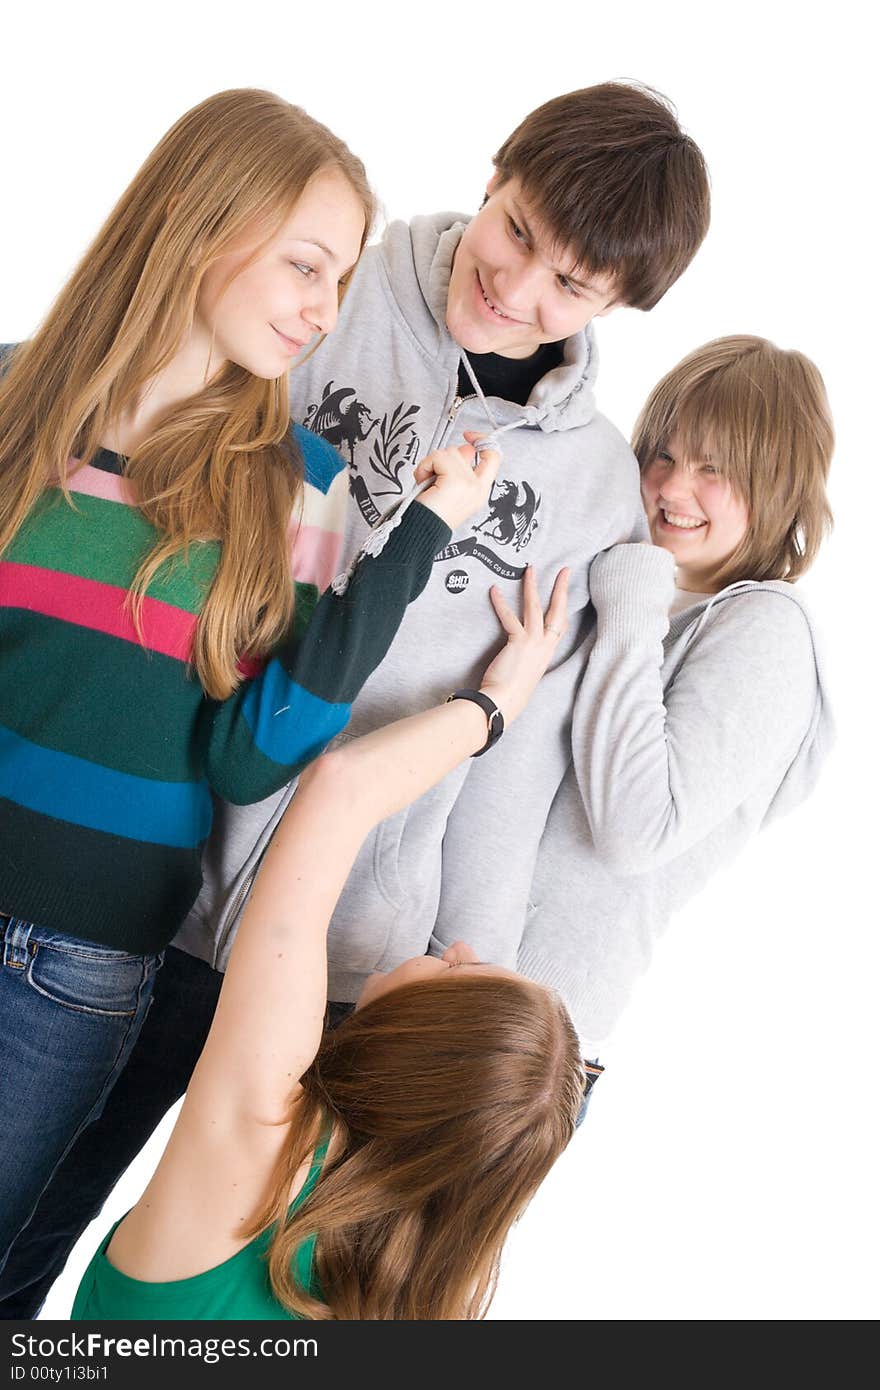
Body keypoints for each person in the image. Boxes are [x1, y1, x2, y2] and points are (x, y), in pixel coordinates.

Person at [0, 80, 710, 1316]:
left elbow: (514, 755)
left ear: (619, 306)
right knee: (33, 1228)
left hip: (349, 949)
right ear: (494, 178)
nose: (520, 289)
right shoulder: (318, 294)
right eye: (520, 234)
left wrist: (468, 979)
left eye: (570, 287)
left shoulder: (591, 485)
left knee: (249, 1295)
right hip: (149, 879)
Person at [0, 88, 500, 1288]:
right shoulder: (13, 397)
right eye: (304, 266)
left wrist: (420, 535)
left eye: (339, 280)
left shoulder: (302, 484)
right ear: (193, 223)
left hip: (72, 974)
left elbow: (252, 752)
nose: (323, 311)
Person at [71, 567, 583, 1321]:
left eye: (461, 973)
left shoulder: (262, 1144)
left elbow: (341, 788)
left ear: (418, 1045)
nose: (460, 947)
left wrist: (495, 706)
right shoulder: (414, 1301)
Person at [513, 335, 833, 1052]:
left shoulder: (765, 628)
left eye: (713, 470)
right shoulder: (628, 586)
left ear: (778, 486)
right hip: (436, 980)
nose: (672, 488)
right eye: (664, 455)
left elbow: (635, 832)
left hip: (524, 1043)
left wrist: (634, 597)